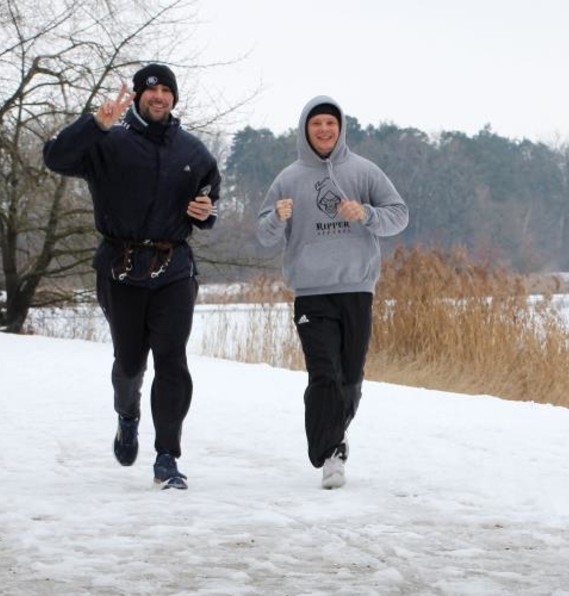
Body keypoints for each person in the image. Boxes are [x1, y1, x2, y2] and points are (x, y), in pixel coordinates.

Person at [43, 64, 221, 491]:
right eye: (151, 90)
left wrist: (206, 213)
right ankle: (127, 414)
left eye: (166, 91)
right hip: (120, 267)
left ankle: (167, 457)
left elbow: (209, 204)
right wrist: (94, 124)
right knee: (129, 362)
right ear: (139, 96)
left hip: (173, 268)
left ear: (174, 98)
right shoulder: (108, 140)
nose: (159, 97)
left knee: (172, 360)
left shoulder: (193, 152)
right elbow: (55, 157)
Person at [257, 95, 409, 489]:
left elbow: (399, 215)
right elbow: (263, 234)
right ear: (305, 130)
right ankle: (330, 452)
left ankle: (332, 435)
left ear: (340, 128)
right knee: (324, 372)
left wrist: (367, 214)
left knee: (350, 378)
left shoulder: (364, 171)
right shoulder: (288, 178)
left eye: (330, 123)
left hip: (357, 287)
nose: (324, 130)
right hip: (311, 291)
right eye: (316, 124)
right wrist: (277, 217)